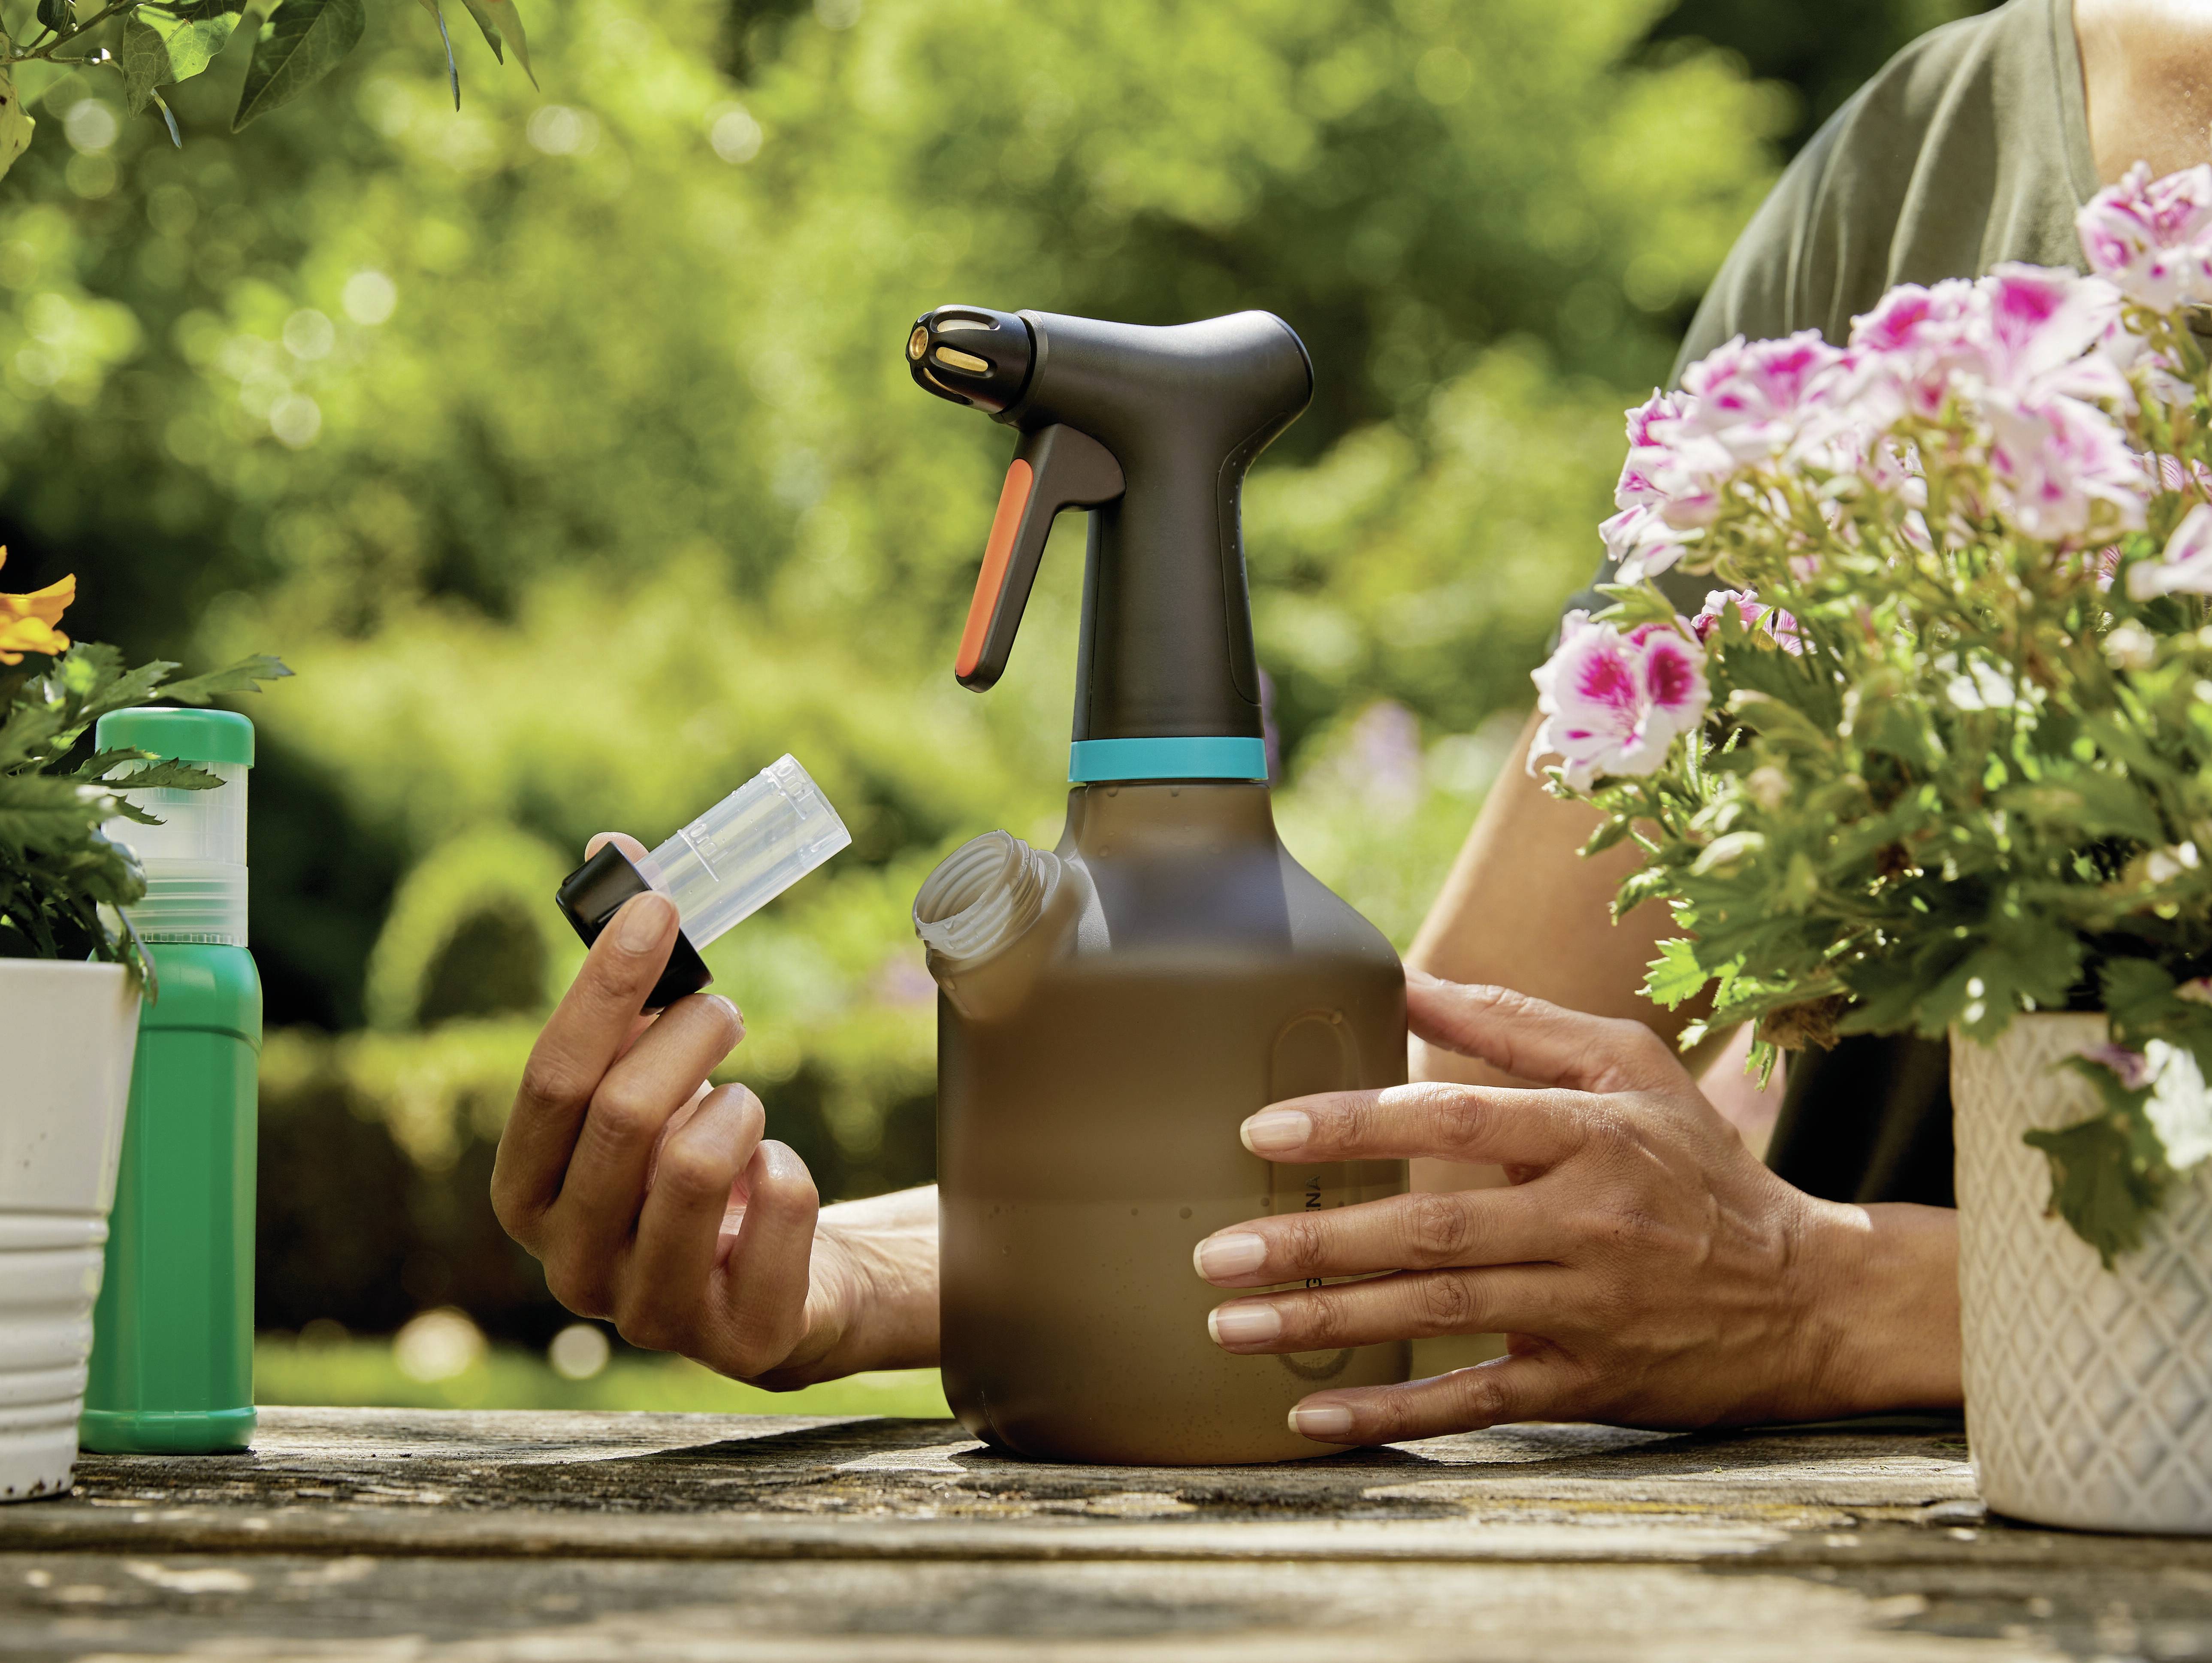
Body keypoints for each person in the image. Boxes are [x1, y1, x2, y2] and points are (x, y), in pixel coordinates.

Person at [491, 0, 2191, 1441]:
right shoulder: (1934, 170)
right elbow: (1436, 1119)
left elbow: (1723, 1262)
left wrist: (1830, 1301)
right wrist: (857, 1280)